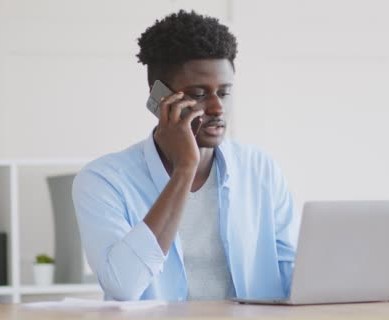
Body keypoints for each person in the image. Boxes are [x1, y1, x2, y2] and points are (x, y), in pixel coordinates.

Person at [72, 10, 298, 301]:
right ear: (159, 99)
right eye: (200, 93)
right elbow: (123, 286)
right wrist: (185, 168)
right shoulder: (104, 179)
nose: (217, 108)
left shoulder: (259, 168)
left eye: (224, 93)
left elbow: (291, 273)